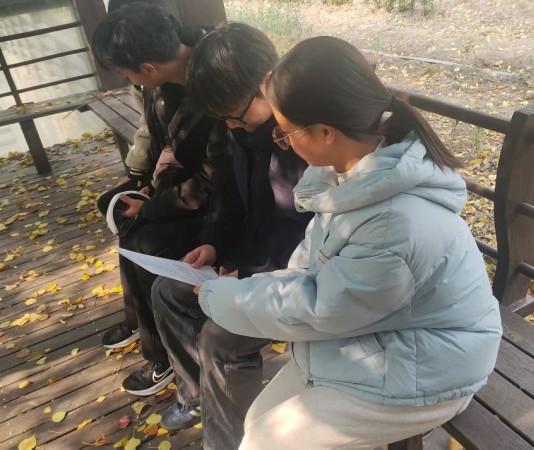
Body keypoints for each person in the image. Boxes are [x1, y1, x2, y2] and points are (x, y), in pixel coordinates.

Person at [194, 36, 503, 449]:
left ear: (324, 132)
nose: (281, 141)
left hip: (435, 364)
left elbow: (322, 308)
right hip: (384, 334)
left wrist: (219, 297)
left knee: (266, 442)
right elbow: (307, 271)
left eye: (285, 132)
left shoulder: (392, 222)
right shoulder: (348, 177)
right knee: (256, 424)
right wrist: (243, 287)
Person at [149, 23, 312, 449]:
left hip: (290, 275)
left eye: (236, 115)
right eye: (223, 118)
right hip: (247, 262)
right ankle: (200, 398)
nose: (232, 126)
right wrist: (214, 244)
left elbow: (312, 239)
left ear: (267, 83)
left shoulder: (304, 140)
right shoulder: (238, 130)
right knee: (167, 292)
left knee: (220, 339)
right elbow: (229, 198)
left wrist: (250, 276)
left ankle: (231, 440)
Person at [91, 3, 234, 395]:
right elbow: (158, 142)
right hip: (184, 188)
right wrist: (144, 184)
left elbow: (213, 182)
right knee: (121, 212)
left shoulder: (214, 85)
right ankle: (141, 320)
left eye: (128, 73)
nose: (129, 80)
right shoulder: (167, 78)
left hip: (218, 204)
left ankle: (162, 356)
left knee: (142, 237)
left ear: (148, 68)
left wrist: (153, 204)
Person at [94, 0, 163, 351]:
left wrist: (150, 189)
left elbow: (173, 144)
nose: (128, 79)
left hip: (186, 187)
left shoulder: (171, 77)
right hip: (166, 173)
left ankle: (157, 341)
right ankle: (137, 317)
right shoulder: (149, 79)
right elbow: (149, 128)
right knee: (113, 203)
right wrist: (139, 173)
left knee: (137, 227)